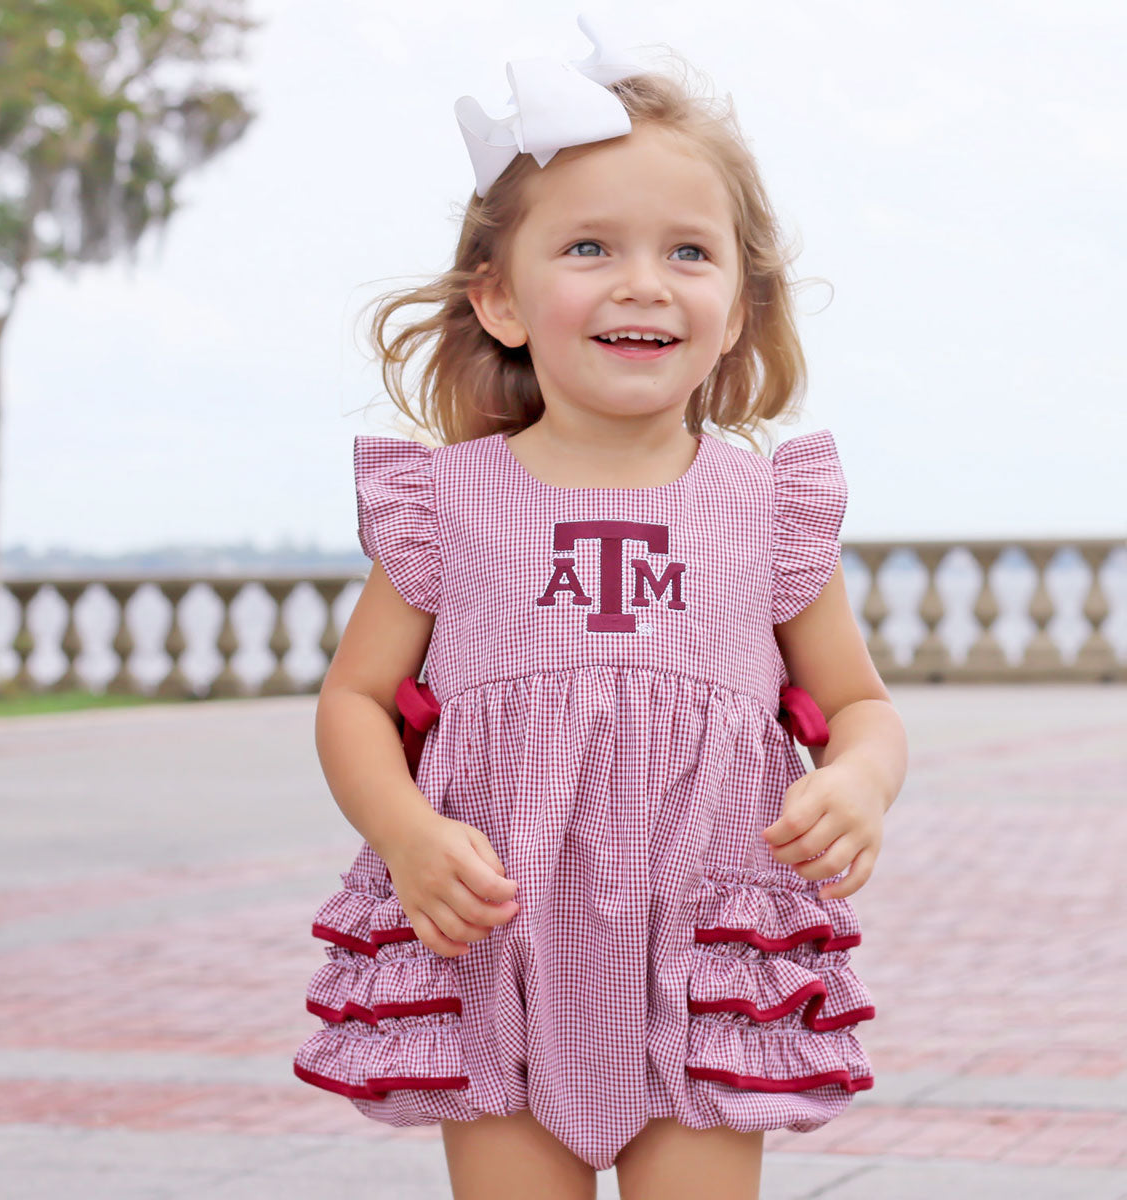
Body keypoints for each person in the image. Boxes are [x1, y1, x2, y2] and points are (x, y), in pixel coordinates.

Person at [293, 14, 908, 1200]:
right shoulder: (450, 503)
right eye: (589, 248)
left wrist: (858, 782)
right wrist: (408, 837)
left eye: (689, 252)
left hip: (704, 941)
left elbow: (859, 704)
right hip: (496, 940)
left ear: (738, 306)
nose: (643, 282)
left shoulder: (766, 508)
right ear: (502, 299)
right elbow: (356, 699)